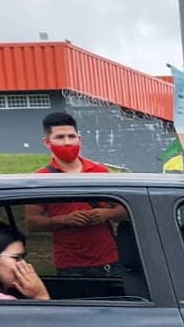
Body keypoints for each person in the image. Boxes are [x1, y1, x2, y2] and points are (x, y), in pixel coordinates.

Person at [24, 112, 127, 279]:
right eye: (60, 137)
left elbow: (126, 210)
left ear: (79, 138)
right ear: (47, 142)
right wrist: (64, 220)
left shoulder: (100, 171)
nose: (67, 142)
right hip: (70, 264)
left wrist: (107, 214)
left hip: (110, 260)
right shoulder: (41, 179)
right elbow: (32, 222)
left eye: (71, 136)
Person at [0, 219, 50, 301]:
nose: (25, 264)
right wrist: (41, 296)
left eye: (23, 257)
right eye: (16, 258)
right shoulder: (3, 301)